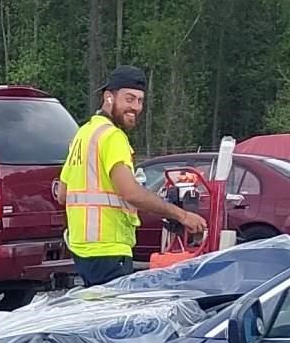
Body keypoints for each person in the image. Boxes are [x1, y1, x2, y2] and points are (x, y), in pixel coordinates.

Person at [58, 66, 205, 286]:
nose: (135, 107)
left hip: (81, 249)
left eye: (140, 101)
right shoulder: (113, 137)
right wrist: (182, 216)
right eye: (129, 99)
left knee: (94, 315)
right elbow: (130, 192)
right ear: (109, 97)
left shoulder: (83, 134)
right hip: (109, 249)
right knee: (114, 317)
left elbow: (62, 194)